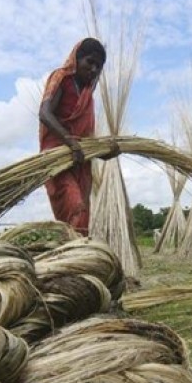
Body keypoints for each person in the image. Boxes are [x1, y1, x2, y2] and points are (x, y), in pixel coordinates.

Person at [38, 37, 118, 236]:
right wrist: (71, 143)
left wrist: (107, 151)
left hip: (79, 160)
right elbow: (45, 113)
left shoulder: (86, 93)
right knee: (76, 207)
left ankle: (74, 258)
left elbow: (85, 142)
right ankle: (75, 255)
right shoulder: (62, 78)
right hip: (58, 156)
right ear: (77, 59)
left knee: (81, 217)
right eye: (90, 62)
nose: (93, 69)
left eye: (98, 67)